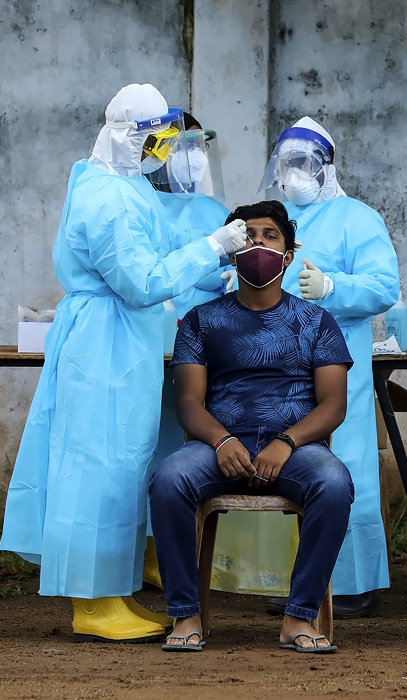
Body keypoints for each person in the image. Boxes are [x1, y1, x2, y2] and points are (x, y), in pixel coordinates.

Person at [0, 84, 247, 643]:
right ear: (128, 136)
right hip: (104, 342)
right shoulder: (106, 198)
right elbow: (139, 283)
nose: (163, 150)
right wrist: (211, 248)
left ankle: (115, 589)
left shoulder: (120, 183)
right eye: (155, 139)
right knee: (96, 465)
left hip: (121, 341)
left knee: (123, 464)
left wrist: (215, 273)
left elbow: (154, 259)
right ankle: (92, 602)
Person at [211, 117, 400, 618]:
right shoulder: (271, 219)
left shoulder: (358, 219)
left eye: (305, 163)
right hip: (269, 363)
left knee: (345, 462)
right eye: (287, 162)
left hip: (333, 360)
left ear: (327, 167)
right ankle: (279, 580)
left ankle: (353, 584)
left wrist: (336, 289)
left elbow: (384, 285)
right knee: (276, 462)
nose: (294, 173)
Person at [149, 201, 354, 653]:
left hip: (296, 449)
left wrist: (286, 442)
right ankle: (185, 616)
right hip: (218, 447)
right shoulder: (201, 321)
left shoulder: (318, 322)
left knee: (335, 484)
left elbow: (333, 404)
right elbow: (187, 401)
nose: (258, 242)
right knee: (168, 479)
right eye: (248, 235)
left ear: (288, 254)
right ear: (230, 250)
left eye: (270, 235)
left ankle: (298, 618)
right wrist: (220, 439)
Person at [143, 112, 234, 589]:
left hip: (204, 351)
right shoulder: (137, 204)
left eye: (200, 147)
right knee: (143, 447)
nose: (195, 158)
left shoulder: (213, 210)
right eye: (184, 148)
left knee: (184, 447)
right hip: (146, 346)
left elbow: (233, 276)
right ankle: (137, 551)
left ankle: (172, 552)